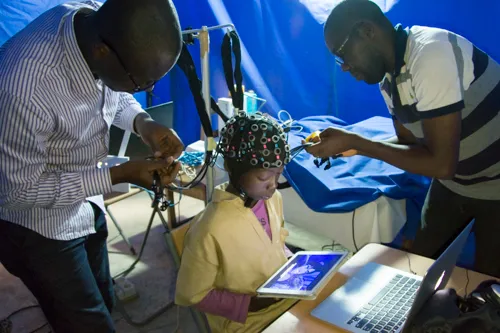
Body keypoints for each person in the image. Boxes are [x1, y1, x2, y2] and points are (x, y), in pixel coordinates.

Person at [0, 0, 184, 332]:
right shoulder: (22, 86)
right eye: (141, 83)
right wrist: (119, 173)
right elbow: (17, 191)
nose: (148, 90)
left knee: (102, 299)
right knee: (85, 322)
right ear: (101, 52)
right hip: (37, 226)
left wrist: (143, 122)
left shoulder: (97, 21)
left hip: (85, 203)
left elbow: (112, 92)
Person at [307, 0, 500, 278]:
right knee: (419, 271)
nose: (344, 67)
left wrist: (360, 143)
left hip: (495, 184)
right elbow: (412, 144)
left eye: (342, 54)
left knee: (487, 288)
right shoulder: (390, 77)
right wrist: (352, 146)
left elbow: (441, 163)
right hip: (455, 184)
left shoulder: (431, 54)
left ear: (366, 31)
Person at [175, 111, 296, 333]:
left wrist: (293, 265)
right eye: (264, 177)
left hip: (286, 302)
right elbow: (192, 294)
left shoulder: (272, 199)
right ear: (236, 170)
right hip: (248, 321)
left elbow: (275, 243)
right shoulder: (210, 229)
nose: (274, 185)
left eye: (278, 175)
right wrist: (252, 302)